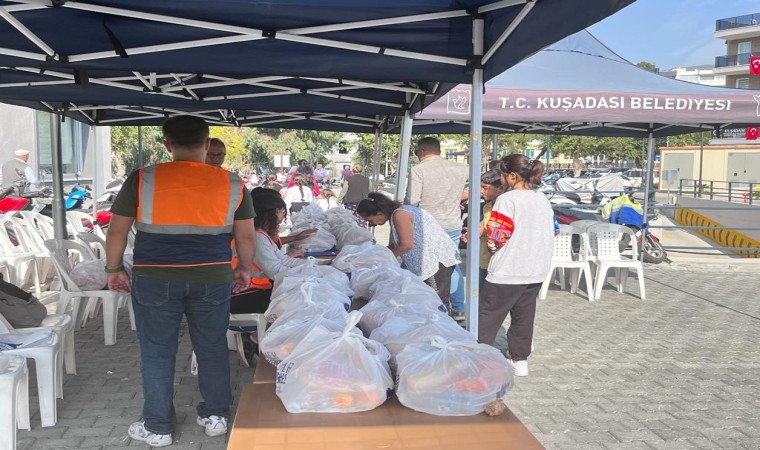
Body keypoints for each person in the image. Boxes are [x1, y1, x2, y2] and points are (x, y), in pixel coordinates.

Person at [105, 115, 256, 447]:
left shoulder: (143, 178)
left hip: (155, 278)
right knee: (212, 346)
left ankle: (158, 427)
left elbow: (116, 230)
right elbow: (246, 236)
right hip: (213, 277)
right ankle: (216, 417)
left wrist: (113, 268)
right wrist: (244, 268)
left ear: (167, 144)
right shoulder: (233, 184)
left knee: (157, 350)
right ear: (207, 143)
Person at [479, 154, 555, 378]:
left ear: (512, 176)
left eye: (503, 175)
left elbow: (496, 237)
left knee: (488, 316)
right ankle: (519, 360)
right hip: (536, 267)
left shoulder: (507, 200)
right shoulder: (542, 198)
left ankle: (478, 358)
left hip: (508, 268)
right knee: (524, 316)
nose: (502, 180)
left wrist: (491, 248)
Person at [357, 192, 459, 306]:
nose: (371, 224)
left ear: (379, 213)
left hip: (435, 260)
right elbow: (398, 243)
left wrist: (384, 259)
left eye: (370, 220)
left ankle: (443, 316)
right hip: (429, 260)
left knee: (436, 300)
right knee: (426, 298)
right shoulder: (398, 213)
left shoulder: (400, 215)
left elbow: (406, 244)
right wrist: (378, 253)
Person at [409, 137, 469, 321]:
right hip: (453, 223)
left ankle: (428, 304)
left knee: (424, 264)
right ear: (439, 150)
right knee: (452, 264)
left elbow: (412, 200)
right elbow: (469, 192)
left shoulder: (419, 170)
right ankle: (459, 308)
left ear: (422, 151)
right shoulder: (461, 168)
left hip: (428, 224)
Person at [230, 188, 314, 315]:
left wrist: (311, 267)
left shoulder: (261, 234)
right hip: (244, 293)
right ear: (274, 212)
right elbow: (275, 270)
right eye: (281, 211)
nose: (284, 214)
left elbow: (283, 259)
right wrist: (305, 274)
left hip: (257, 289)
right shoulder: (257, 237)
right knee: (295, 303)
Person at [461, 169, 505, 285]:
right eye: (481, 187)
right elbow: (486, 227)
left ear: (500, 188)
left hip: (499, 263)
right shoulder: (487, 206)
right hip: (485, 259)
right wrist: (477, 232)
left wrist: (482, 232)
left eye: (485, 188)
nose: (481, 191)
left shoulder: (505, 208)